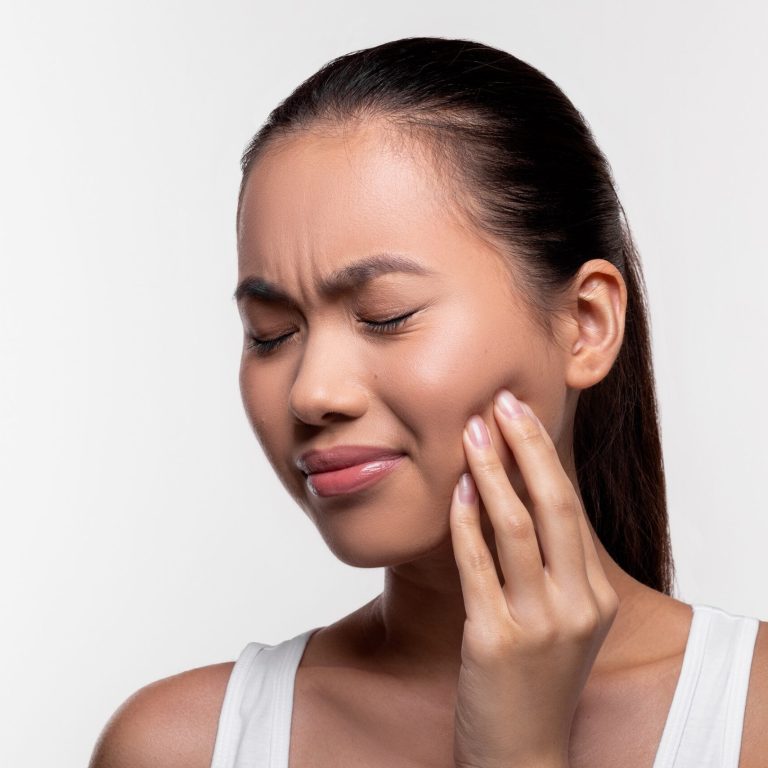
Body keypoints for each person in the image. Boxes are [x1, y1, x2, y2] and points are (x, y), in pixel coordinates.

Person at [88, 36, 767, 768]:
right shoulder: (176, 746)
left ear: (586, 325)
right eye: (271, 333)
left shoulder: (748, 716)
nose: (313, 392)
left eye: (385, 315)